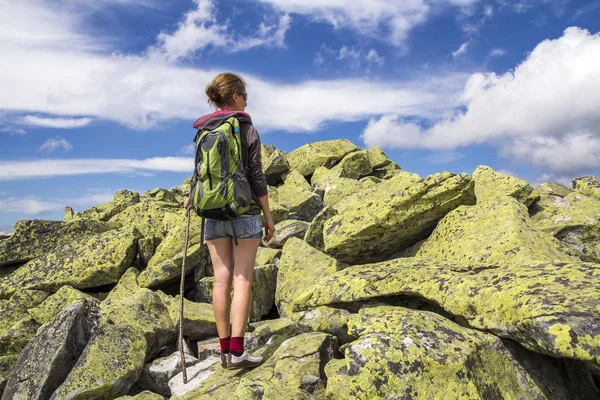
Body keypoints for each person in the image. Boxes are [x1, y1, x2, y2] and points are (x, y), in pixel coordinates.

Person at [183, 72, 276, 369]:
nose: (247, 101)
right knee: (242, 277)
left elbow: (200, 173)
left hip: (211, 211)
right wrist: (268, 215)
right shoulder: (245, 127)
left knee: (221, 279)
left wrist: (192, 198)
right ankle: (239, 351)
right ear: (235, 97)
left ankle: (224, 354)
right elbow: (256, 175)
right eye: (246, 95)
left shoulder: (203, 130)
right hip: (244, 210)